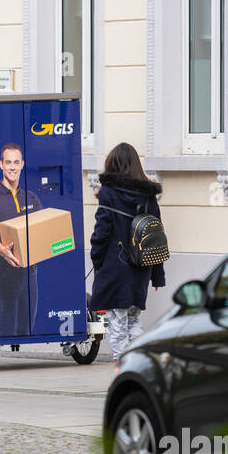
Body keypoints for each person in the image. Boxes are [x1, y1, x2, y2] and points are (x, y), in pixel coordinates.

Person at [89, 142, 166, 357]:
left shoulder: (109, 193)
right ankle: (138, 362)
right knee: (133, 319)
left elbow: (101, 234)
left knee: (116, 321)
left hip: (115, 267)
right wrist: (157, 275)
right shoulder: (148, 195)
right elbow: (156, 237)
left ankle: (122, 366)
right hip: (141, 269)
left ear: (113, 165)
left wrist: (97, 262)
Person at [0, 142, 40, 337]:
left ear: (22, 164)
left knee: (27, 328)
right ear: (1, 165)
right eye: (8, 162)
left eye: (16, 162)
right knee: (6, 328)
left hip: (29, 273)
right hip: (5, 272)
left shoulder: (30, 198)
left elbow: (42, 231)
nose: (12, 167)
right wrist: (3, 250)